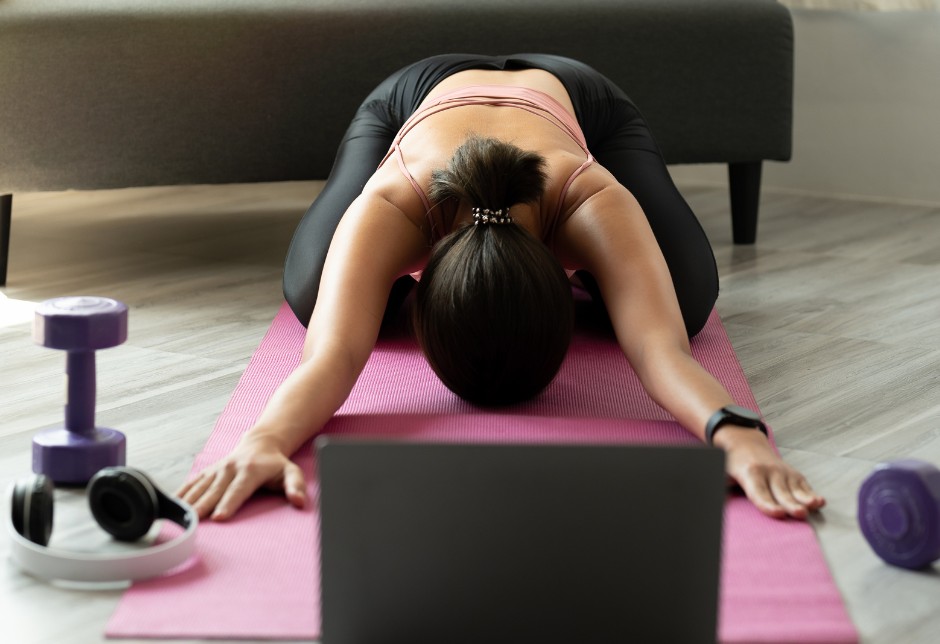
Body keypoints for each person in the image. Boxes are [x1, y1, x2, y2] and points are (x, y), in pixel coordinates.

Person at [177, 54, 825, 521]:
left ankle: (380, 284)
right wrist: (259, 442)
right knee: (311, 290)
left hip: (577, 98)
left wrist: (738, 437)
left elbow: (663, 352)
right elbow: (334, 356)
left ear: (560, 267)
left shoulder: (590, 199)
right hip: (414, 100)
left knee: (685, 302)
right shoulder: (394, 202)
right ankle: (372, 282)